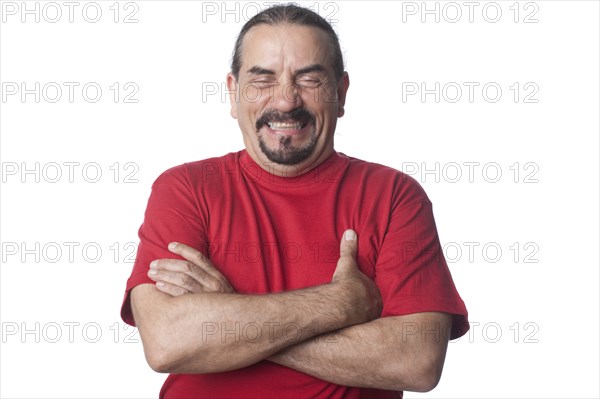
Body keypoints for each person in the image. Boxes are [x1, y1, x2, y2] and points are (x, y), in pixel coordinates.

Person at [120, 4, 469, 398]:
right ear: (234, 93)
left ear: (340, 92)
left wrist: (229, 314)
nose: (285, 100)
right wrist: (341, 304)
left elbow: (415, 362)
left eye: (309, 79)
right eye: (263, 79)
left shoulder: (394, 196)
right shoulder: (185, 188)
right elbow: (167, 340)